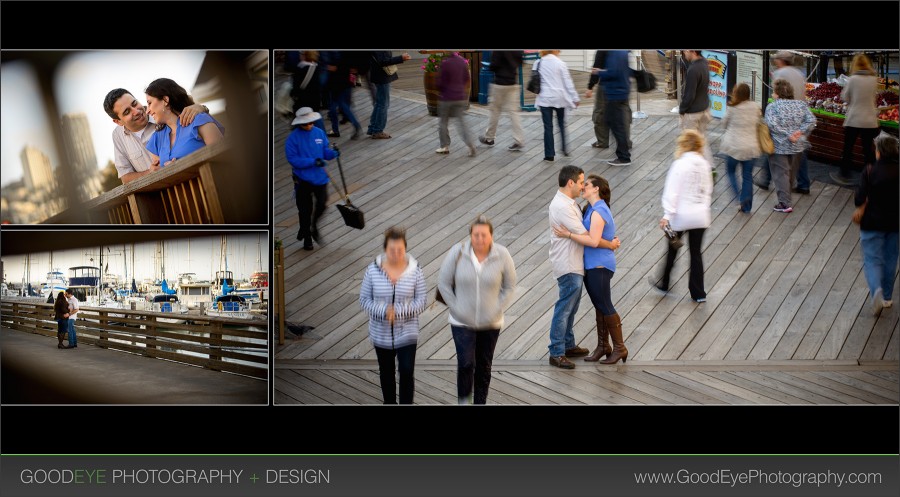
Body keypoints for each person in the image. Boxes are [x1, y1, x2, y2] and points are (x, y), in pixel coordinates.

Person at [438, 215, 517, 404]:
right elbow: (443, 283)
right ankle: (464, 402)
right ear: (470, 236)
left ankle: (480, 402)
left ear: (491, 236)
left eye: (484, 235)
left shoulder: (502, 254)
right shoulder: (457, 252)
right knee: (466, 363)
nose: (480, 239)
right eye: (476, 235)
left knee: (484, 366)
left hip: (491, 322)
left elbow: (510, 286)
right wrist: (456, 308)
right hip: (462, 321)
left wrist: (497, 308)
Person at [553, 175, 625, 363]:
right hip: (592, 264)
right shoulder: (591, 209)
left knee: (605, 305)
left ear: (596, 189)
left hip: (599, 264)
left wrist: (568, 234)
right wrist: (610, 243)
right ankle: (603, 346)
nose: (583, 187)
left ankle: (619, 347)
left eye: (587, 185)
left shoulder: (598, 211)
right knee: (600, 305)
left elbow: (592, 241)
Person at [359, 227, 427, 404]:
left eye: (400, 250)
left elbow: (421, 301)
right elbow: (364, 300)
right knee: (386, 371)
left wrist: (398, 311)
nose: (396, 254)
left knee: (406, 370)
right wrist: (383, 311)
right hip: (380, 332)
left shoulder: (416, 270)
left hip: (407, 331)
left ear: (405, 249)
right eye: (391, 250)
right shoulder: (373, 271)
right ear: (385, 249)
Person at [651, 130, 713, 303]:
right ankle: (698, 292)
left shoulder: (679, 164)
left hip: (680, 216)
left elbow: (672, 192)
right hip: (701, 215)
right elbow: (708, 190)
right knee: (696, 254)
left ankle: (664, 282)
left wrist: (667, 215)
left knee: (673, 248)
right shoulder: (704, 164)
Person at [103, 88, 209, 184]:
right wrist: (150, 172)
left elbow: (190, 110)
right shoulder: (118, 135)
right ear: (118, 121)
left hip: (193, 179)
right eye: (127, 112)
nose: (136, 111)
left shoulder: (162, 112)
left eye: (134, 103)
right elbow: (125, 177)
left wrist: (201, 108)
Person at [547, 165, 589, 368]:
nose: (583, 186)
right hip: (568, 263)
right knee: (564, 308)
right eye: (581, 182)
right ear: (570, 182)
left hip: (573, 261)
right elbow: (585, 234)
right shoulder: (563, 207)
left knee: (571, 307)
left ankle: (568, 344)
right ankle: (556, 351)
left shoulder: (567, 203)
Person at [854, 132, 899, 317]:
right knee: (890, 259)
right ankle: (887, 297)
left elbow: (859, 198)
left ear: (879, 151)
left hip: (872, 222)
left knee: (872, 259)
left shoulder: (870, 170)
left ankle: (876, 291)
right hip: (895, 223)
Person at [285, 107, 337, 251]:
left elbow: (325, 151)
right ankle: (307, 238)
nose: (309, 126)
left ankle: (313, 226)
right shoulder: (292, 139)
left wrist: (333, 153)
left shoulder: (319, 133)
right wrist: (313, 161)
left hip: (320, 178)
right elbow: (293, 160)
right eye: (306, 124)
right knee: (304, 210)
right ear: (299, 124)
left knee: (322, 204)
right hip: (302, 180)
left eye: (311, 123)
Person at [144, 78, 224, 167]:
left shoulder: (198, 120)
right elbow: (158, 172)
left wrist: (182, 166)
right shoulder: (156, 139)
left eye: (149, 103)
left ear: (165, 100)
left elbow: (224, 156)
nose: (147, 111)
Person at [764, 78, 816, 214]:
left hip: (779, 147)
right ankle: (787, 197)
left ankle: (785, 203)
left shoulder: (772, 106)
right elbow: (811, 120)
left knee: (780, 174)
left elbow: (772, 125)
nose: (772, 94)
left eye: (773, 92)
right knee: (791, 173)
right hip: (798, 146)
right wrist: (799, 132)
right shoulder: (801, 105)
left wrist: (788, 134)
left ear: (777, 93)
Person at [833, 54, 880, 186]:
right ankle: (871, 176)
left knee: (848, 147)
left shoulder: (853, 79)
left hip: (854, 119)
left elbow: (845, 97)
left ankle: (844, 174)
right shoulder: (873, 79)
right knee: (868, 151)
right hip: (870, 120)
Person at [773, 50, 811, 195]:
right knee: (799, 147)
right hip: (800, 112)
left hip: (786, 114)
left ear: (781, 61)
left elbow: (777, 95)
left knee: (776, 145)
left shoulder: (779, 74)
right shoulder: (799, 73)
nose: (775, 61)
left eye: (777, 59)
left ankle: (768, 179)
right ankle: (803, 183)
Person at [719, 82, 761, 212]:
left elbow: (723, 124)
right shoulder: (755, 107)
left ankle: (738, 197)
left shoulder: (732, 108)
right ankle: (746, 206)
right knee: (747, 176)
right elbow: (758, 121)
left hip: (733, 147)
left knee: (731, 172)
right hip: (751, 147)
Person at [534, 50, 579, 162]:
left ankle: (549, 154)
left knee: (548, 127)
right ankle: (564, 148)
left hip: (545, 97)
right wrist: (575, 97)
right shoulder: (561, 63)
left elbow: (534, 79)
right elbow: (567, 82)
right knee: (561, 123)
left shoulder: (538, 62)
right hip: (559, 97)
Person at [585, 50, 632, 152]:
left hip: (607, 86)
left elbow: (597, 66)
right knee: (624, 114)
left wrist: (590, 86)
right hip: (624, 85)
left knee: (600, 113)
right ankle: (626, 142)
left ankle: (602, 141)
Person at [479, 50, 525, 151]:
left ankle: (489, 138)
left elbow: (493, 65)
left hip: (499, 84)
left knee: (495, 111)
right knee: (514, 113)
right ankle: (519, 140)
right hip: (513, 83)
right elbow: (521, 61)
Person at [436, 52, 476, 157]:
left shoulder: (446, 63)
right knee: (461, 124)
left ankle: (444, 146)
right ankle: (470, 144)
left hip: (447, 97)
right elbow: (467, 78)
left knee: (443, 123)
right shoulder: (462, 62)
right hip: (460, 97)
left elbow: (440, 83)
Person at [597, 50, 632, 166]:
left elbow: (613, 72)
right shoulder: (622, 52)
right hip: (622, 91)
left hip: (615, 93)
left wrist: (599, 72)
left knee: (615, 124)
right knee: (617, 124)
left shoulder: (615, 53)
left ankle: (624, 156)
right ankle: (623, 153)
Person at [679, 50, 713, 165]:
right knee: (702, 141)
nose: (683, 52)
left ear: (691, 51)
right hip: (704, 109)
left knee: (690, 145)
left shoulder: (693, 70)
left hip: (693, 114)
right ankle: (709, 167)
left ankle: (694, 169)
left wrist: (682, 110)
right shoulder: (704, 63)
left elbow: (689, 95)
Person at [368, 51, 411, 139]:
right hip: (381, 76)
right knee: (383, 104)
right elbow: (383, 61)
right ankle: (377, 130)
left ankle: (373, 128)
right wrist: (401, 58)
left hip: (379, 75)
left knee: (379, 103)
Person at [290, 51, 325, 130]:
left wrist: (292, 94)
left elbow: (296, 87)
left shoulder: (300, 68)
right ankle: (323, 139)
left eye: (301, 53)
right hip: (315, 100)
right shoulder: (316, 67)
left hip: (302, 100)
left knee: (299, 121)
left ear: (305, 56)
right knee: (316, 119)